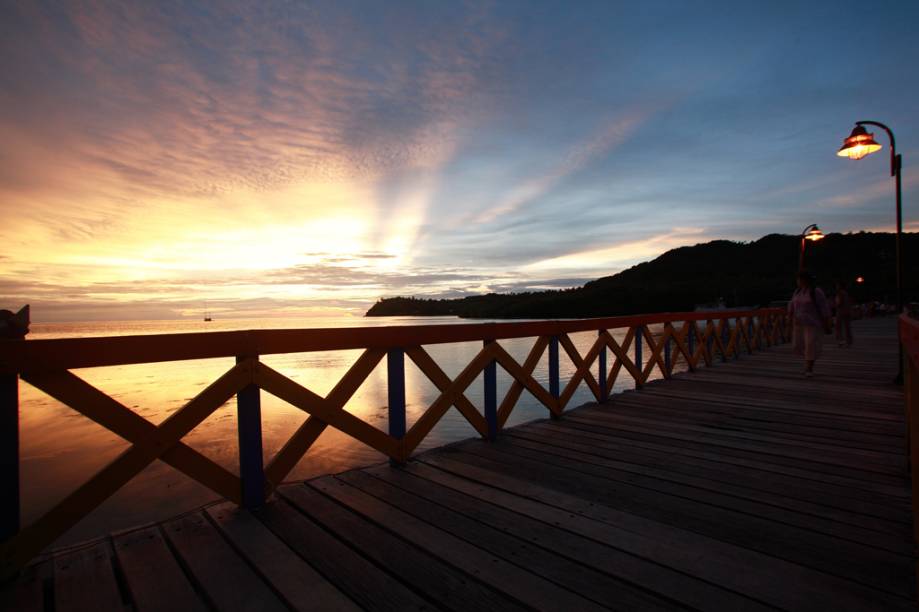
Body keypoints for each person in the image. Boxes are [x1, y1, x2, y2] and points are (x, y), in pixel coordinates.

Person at [788, 271, 831, 377]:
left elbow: (824, 308)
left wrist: (827, 323)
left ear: (805, 280)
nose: (797, 281)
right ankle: (808, 359)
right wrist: (790, 315)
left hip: (813, 323)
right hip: (799, 322)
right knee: (797, 345)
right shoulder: (797, 291)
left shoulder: (816, 291)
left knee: (810, 345)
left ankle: (809, 368)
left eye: (799, 279)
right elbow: (792, 304)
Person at [834, 280, 853, 347]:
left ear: (840, 286)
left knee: (838, 327)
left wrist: (835, 304)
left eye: (837, 285)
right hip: (847, 311)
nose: (836, 286)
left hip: (841, 311)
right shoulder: (846, 293)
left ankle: (841, 341)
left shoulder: (840, 293)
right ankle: (849, 341)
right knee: (847, 327)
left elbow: (839, 302)